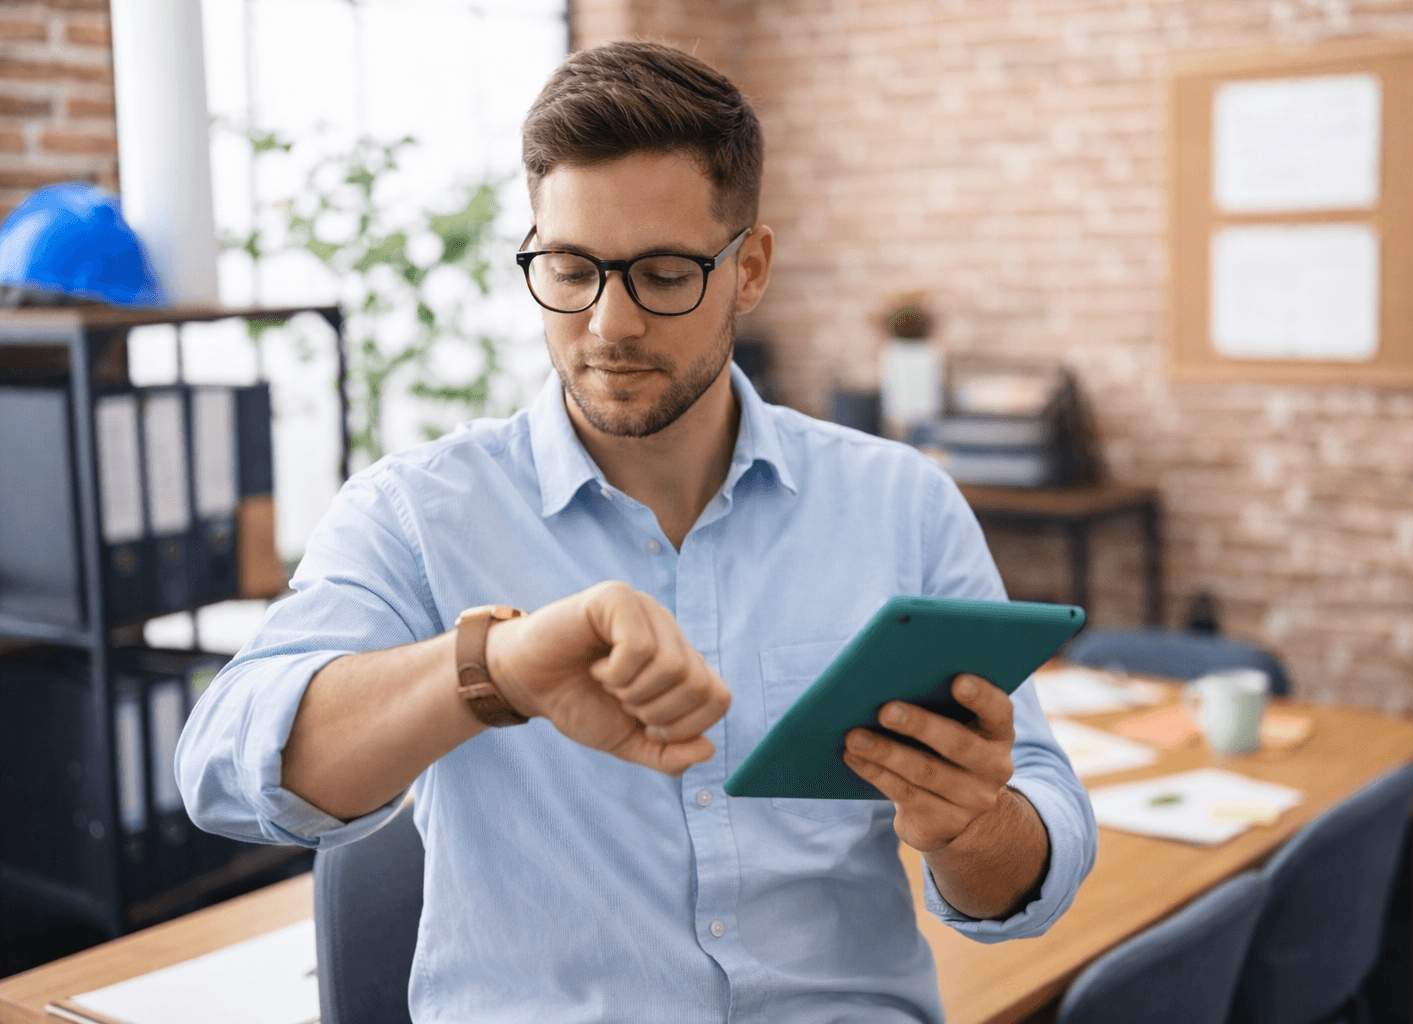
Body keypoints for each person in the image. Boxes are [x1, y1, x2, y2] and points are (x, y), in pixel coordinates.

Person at [177, 40, 1095, 1024]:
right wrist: (500, 667)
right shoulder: (419, 512)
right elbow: (225, 767)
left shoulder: (901, 505)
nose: (609, 323)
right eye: (570, 269)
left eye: (662, 274)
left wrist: (972, 828)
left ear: (750, 270)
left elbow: (1031, 855)